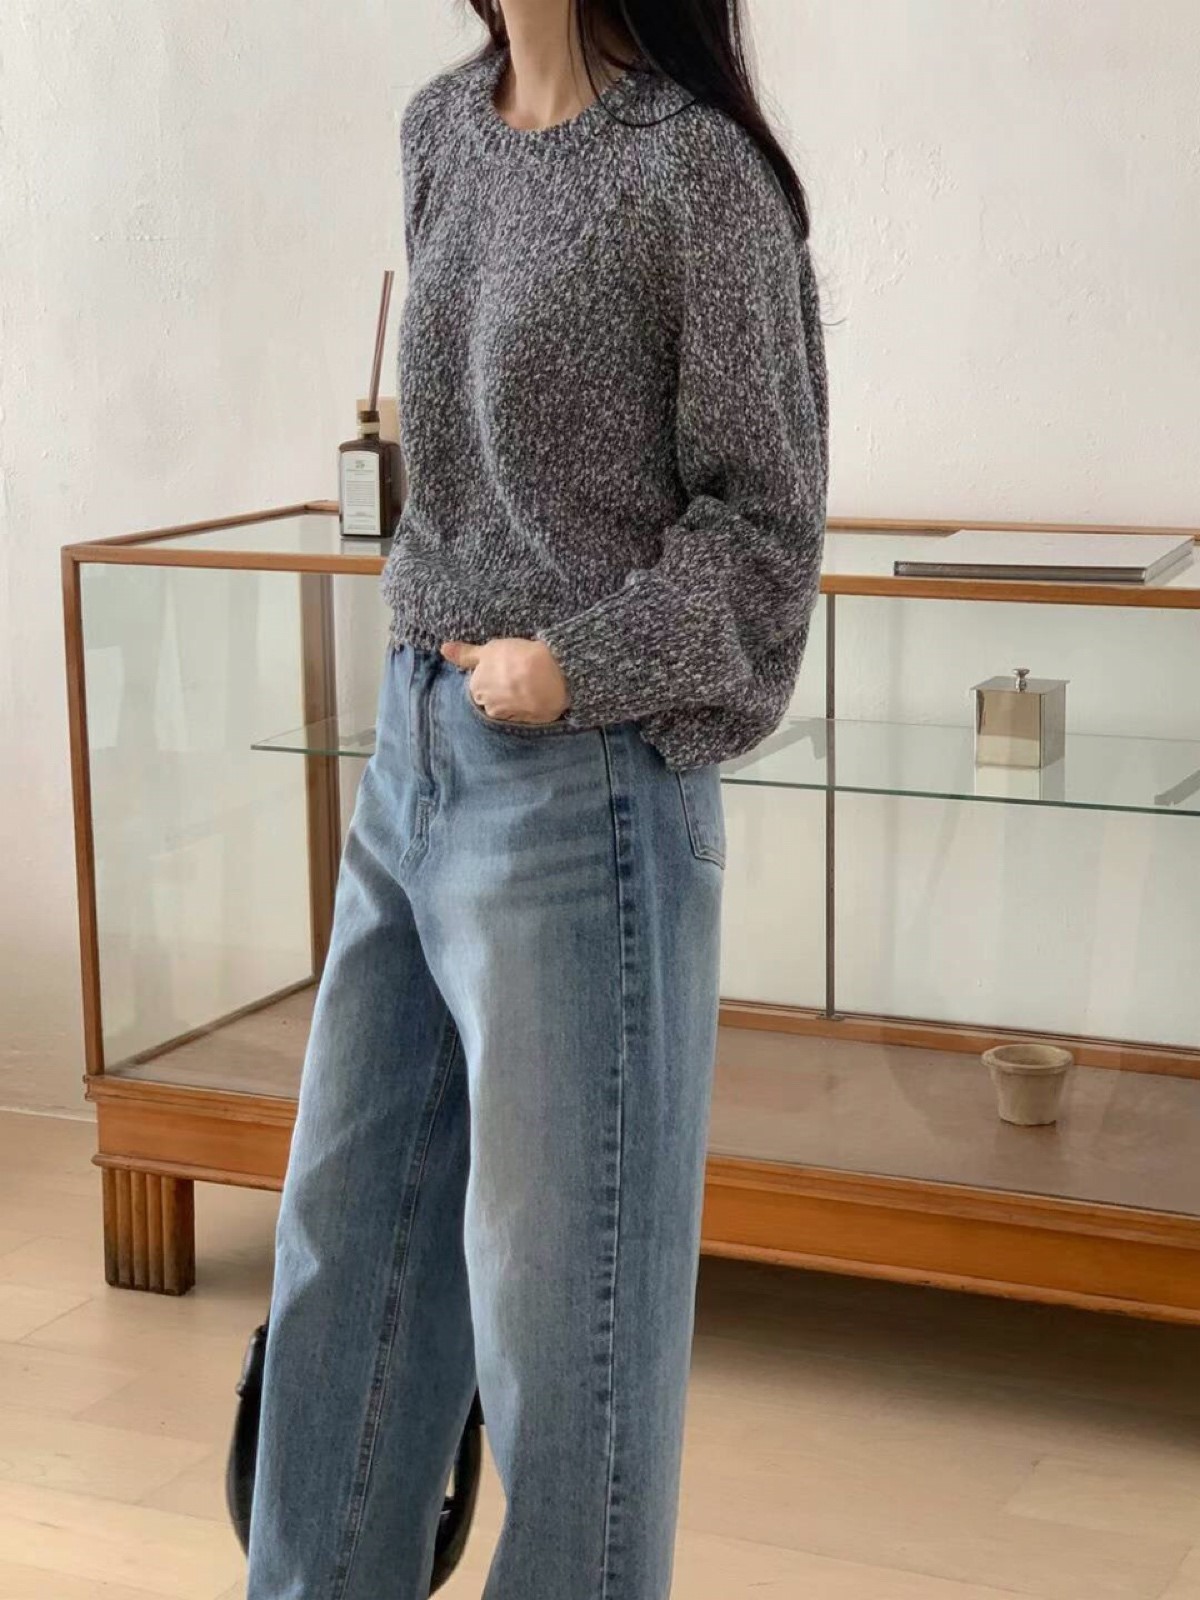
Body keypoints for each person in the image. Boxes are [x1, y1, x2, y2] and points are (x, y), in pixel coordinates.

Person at [246, 0, 828, 1594]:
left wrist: (570, 667)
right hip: (411, 758)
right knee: (343, 1259)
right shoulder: (442, 128)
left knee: (568, 1334)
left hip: (584, 797)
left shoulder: (698, 179)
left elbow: (766, 538)